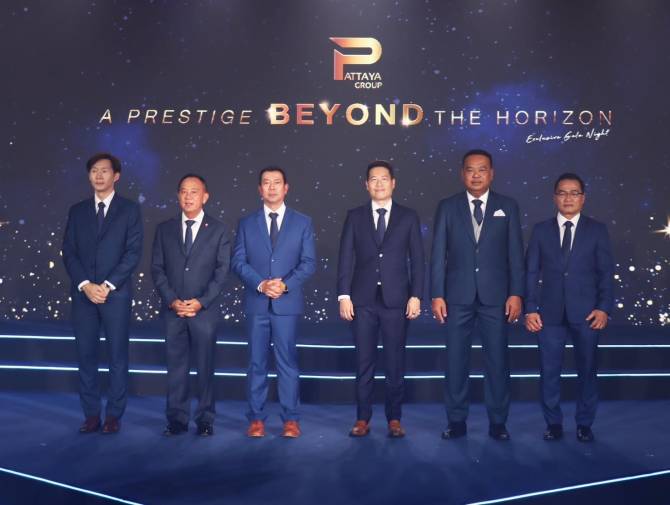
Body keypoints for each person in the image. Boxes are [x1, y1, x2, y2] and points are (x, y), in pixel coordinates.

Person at [430, 149, 524, 441]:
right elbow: (438, 254)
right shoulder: (447, 206)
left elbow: (515, 255)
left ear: (491, 174)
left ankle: (498, 422)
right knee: (455, 362)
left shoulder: (507, 206)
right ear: (462, 174)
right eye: (470, 170)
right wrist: (437, 294)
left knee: (497, 362)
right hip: (457, 296)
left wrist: (516, 293)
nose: (476, 175)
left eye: (482, 169)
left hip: (496, 298)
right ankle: (456, 421)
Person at [337, 161, 425, 438]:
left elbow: (418, 260)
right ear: (366, 185)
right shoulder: (355, 216)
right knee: (364, 361)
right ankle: (362, 418)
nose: (379, 184)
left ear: (393, 183)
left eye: (384, 179)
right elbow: (345, 258)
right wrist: (343, 295)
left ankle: (394, 419)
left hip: (397, 300)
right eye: (373, 179)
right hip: (362, 300)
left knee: (394, 362)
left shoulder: (408, 216)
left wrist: (416, 295)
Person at [525, 173, 614, 443]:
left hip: (587, 314)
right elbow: (530, 272)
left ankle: (584, 424)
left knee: (587, 371)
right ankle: (553, 424)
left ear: (583, 198)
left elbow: (605, 273)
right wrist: (530, 308)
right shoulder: (541, 230)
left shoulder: (597, 230)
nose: (568, 198)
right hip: (548, 314)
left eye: (574, 193)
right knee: (549, 372)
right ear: (554, 198)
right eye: (562, 193)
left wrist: (603, 308)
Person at [231, 167, 316, 438]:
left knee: (287, 362)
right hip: (256, 302)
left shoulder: (302, 222)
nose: (271, 187)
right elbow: (238, 262)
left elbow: (308, 262)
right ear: (259, 189)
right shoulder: (246, 223)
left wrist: (285, 284)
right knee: (256, 363)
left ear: (286, 188)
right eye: (266, 183)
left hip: (286, 304)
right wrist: (261, 284)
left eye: (276, 183)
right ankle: (256, 419)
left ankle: (291, 419)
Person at [62, 152, 143, 434]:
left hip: (115, 295)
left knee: (117, 356)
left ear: (116, 176)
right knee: (86, 355)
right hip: (83, 295)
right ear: (89, 175)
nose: (98, 175)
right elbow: (69, 252)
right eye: (94, 170)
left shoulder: (130, 210)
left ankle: (114, 416)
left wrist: (107, 285)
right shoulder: (77, 211)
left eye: (104, 170)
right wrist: (86, 284)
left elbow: (132, 253)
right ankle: (91, 415)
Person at [151, 174, 231, 437]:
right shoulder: (164, 229)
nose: (188, 196)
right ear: (178, 196)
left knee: (205, 368)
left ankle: (205, 419)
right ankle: (176, 419)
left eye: (194, 192)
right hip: (173, 311)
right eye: (183, 191)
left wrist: (201, 302)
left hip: (203, 312)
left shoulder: (218, 230)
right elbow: (157, 269)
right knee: (176, 369)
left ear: (205, 197)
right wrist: (172, 300)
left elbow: (222, 272)